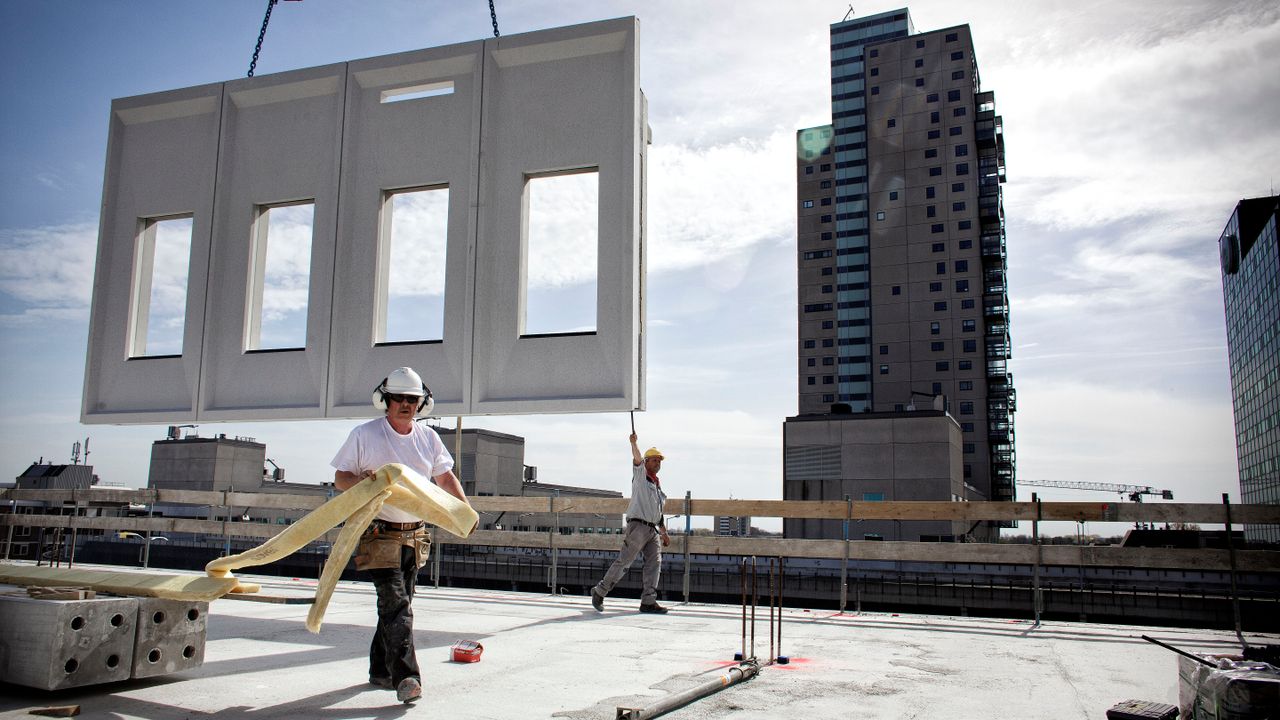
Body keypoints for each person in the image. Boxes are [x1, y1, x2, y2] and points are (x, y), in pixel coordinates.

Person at [331, 366, 472, 704]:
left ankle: (380, 670)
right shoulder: (364, 435)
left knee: (398, 605)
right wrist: (363, 482)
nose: (406, 405)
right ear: (386, 400)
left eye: (412, 399)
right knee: (397, 606)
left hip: (414, 536)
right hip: (378, 534)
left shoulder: (428, 438)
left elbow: (445, 478)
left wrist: (466, 511)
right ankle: (407, 678)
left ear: (421, 403)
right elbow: (340, 478)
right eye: (399, 398)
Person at [591, 432, 670, 614]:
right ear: (646, 462)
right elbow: (636, 459)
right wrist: (634, 443)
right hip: (638, 526)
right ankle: (600, 591)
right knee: (625, 561)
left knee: (654, 563)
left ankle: (648, 602)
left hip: (652, 530)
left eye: (659, 461)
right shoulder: (641, 476)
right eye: (654, 460)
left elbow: (658, 513)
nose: (657, 463)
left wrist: (664, 532)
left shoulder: (657, 485)